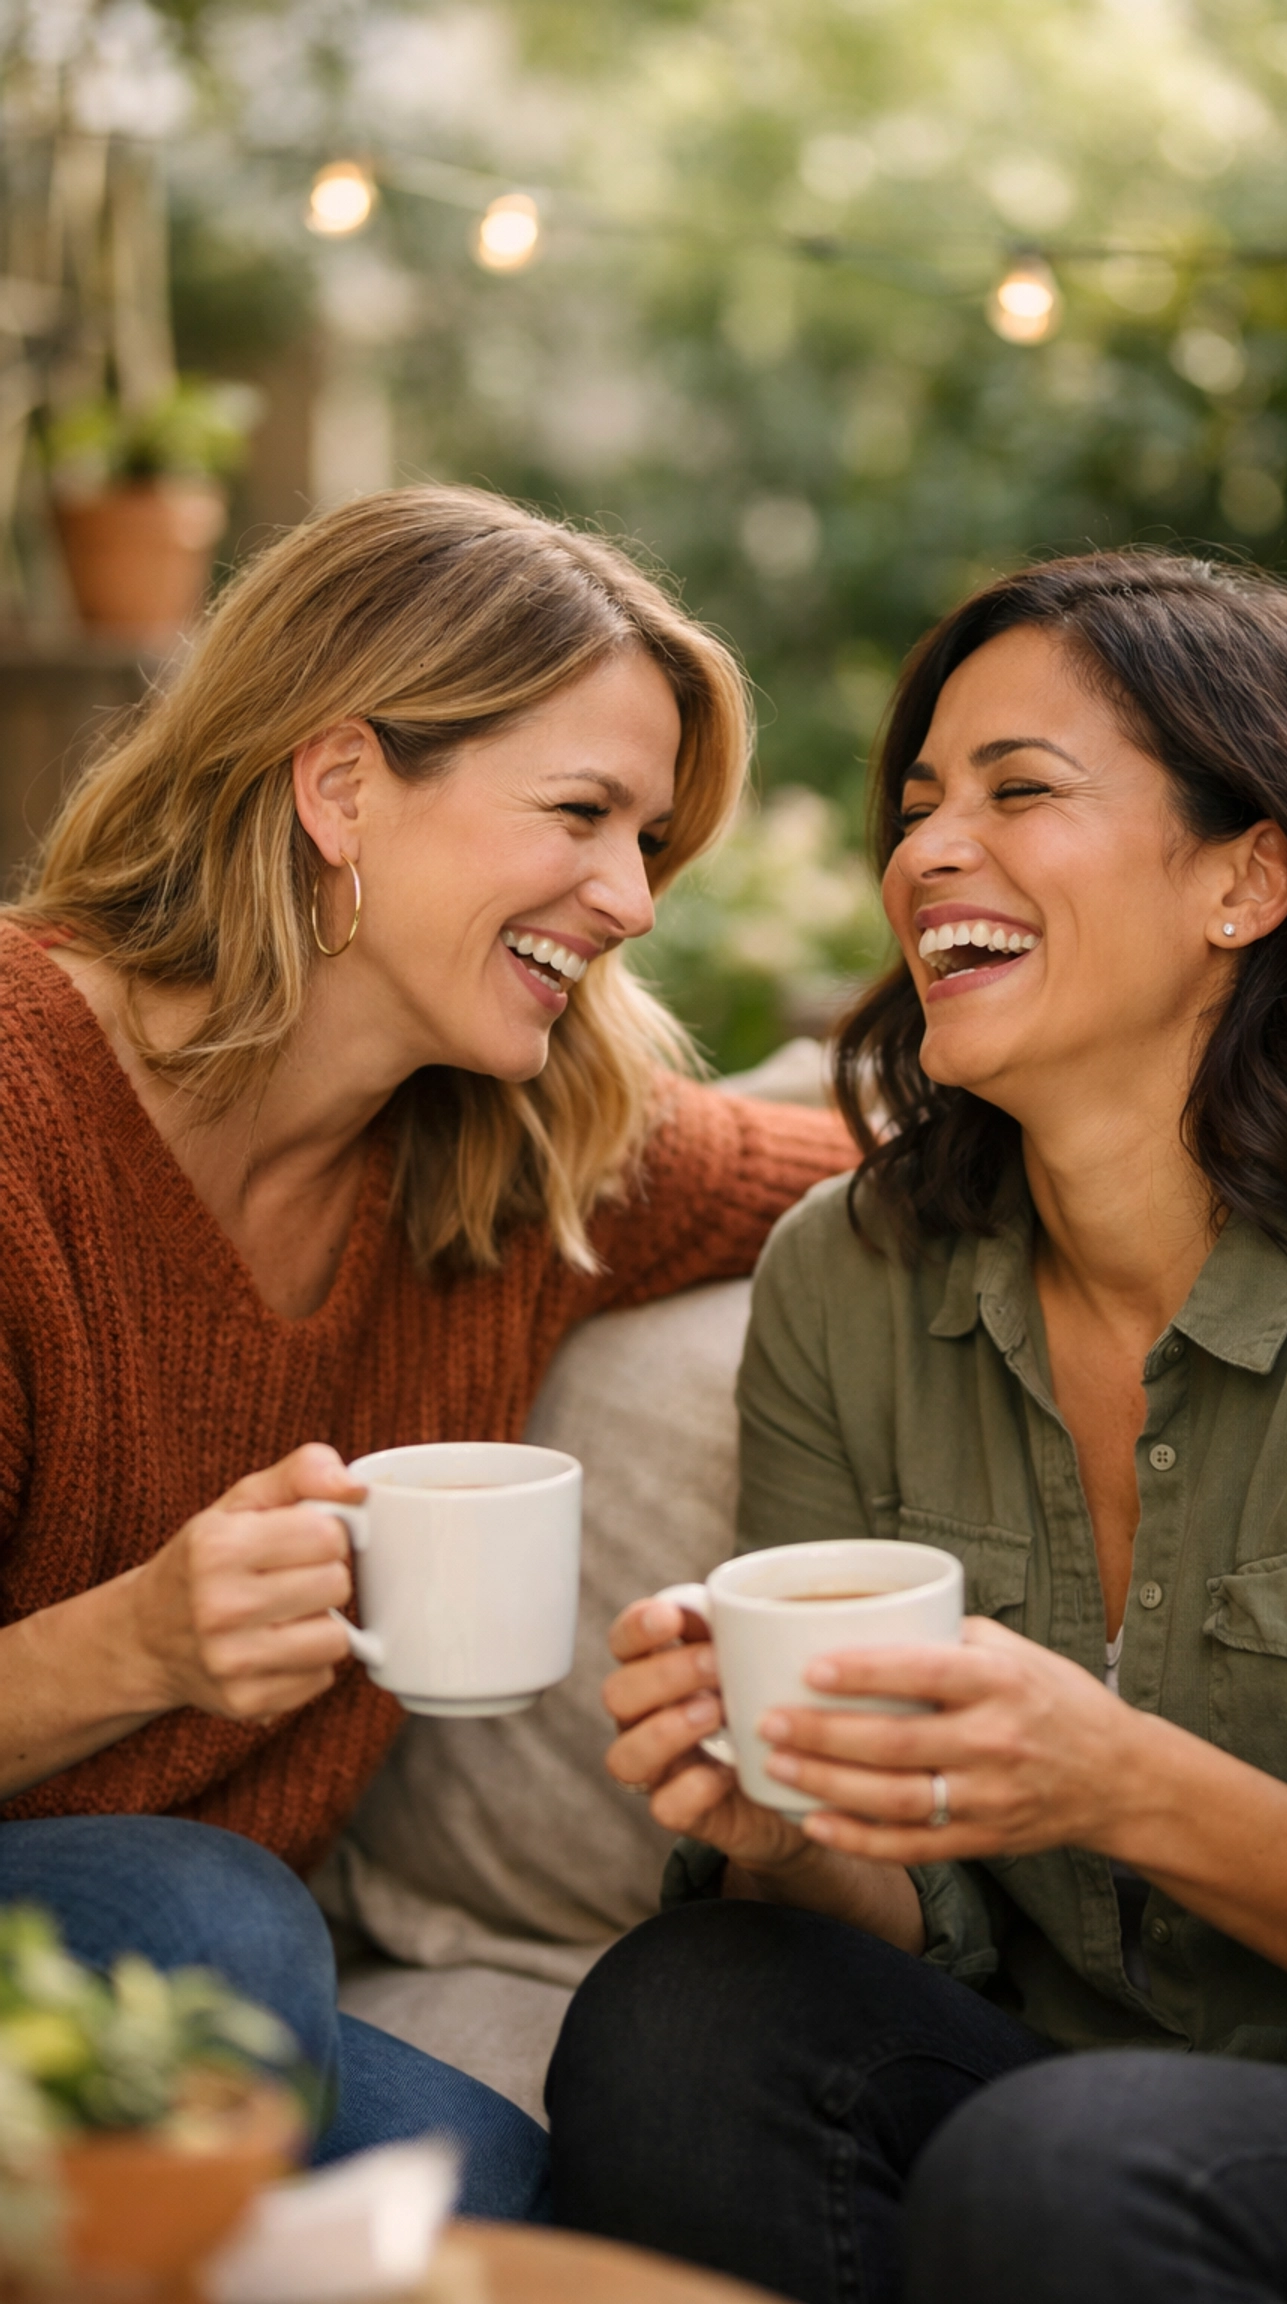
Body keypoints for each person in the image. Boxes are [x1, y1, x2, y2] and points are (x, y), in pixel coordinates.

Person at [549, 551, 1287, 2298]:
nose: (928, 849)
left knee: (1062, 2161)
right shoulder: (847, 1281)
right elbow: (899, 1934)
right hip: (1048, 2111)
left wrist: (1122, 1779)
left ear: (1246, 878)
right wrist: (792, 1831)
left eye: (1020, 791)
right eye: (920, 801)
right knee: (684, 2009)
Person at [0, 486, 849, 2217]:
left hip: (192, 2004)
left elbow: (871, 1164)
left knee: (486, 2190)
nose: (629, 898)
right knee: (200, 1913)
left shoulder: (515, 1162)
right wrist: (137, 1643)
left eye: (650, 842)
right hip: (163, 1931)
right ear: (340, 787)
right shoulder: (21, 1114)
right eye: (583, 815)